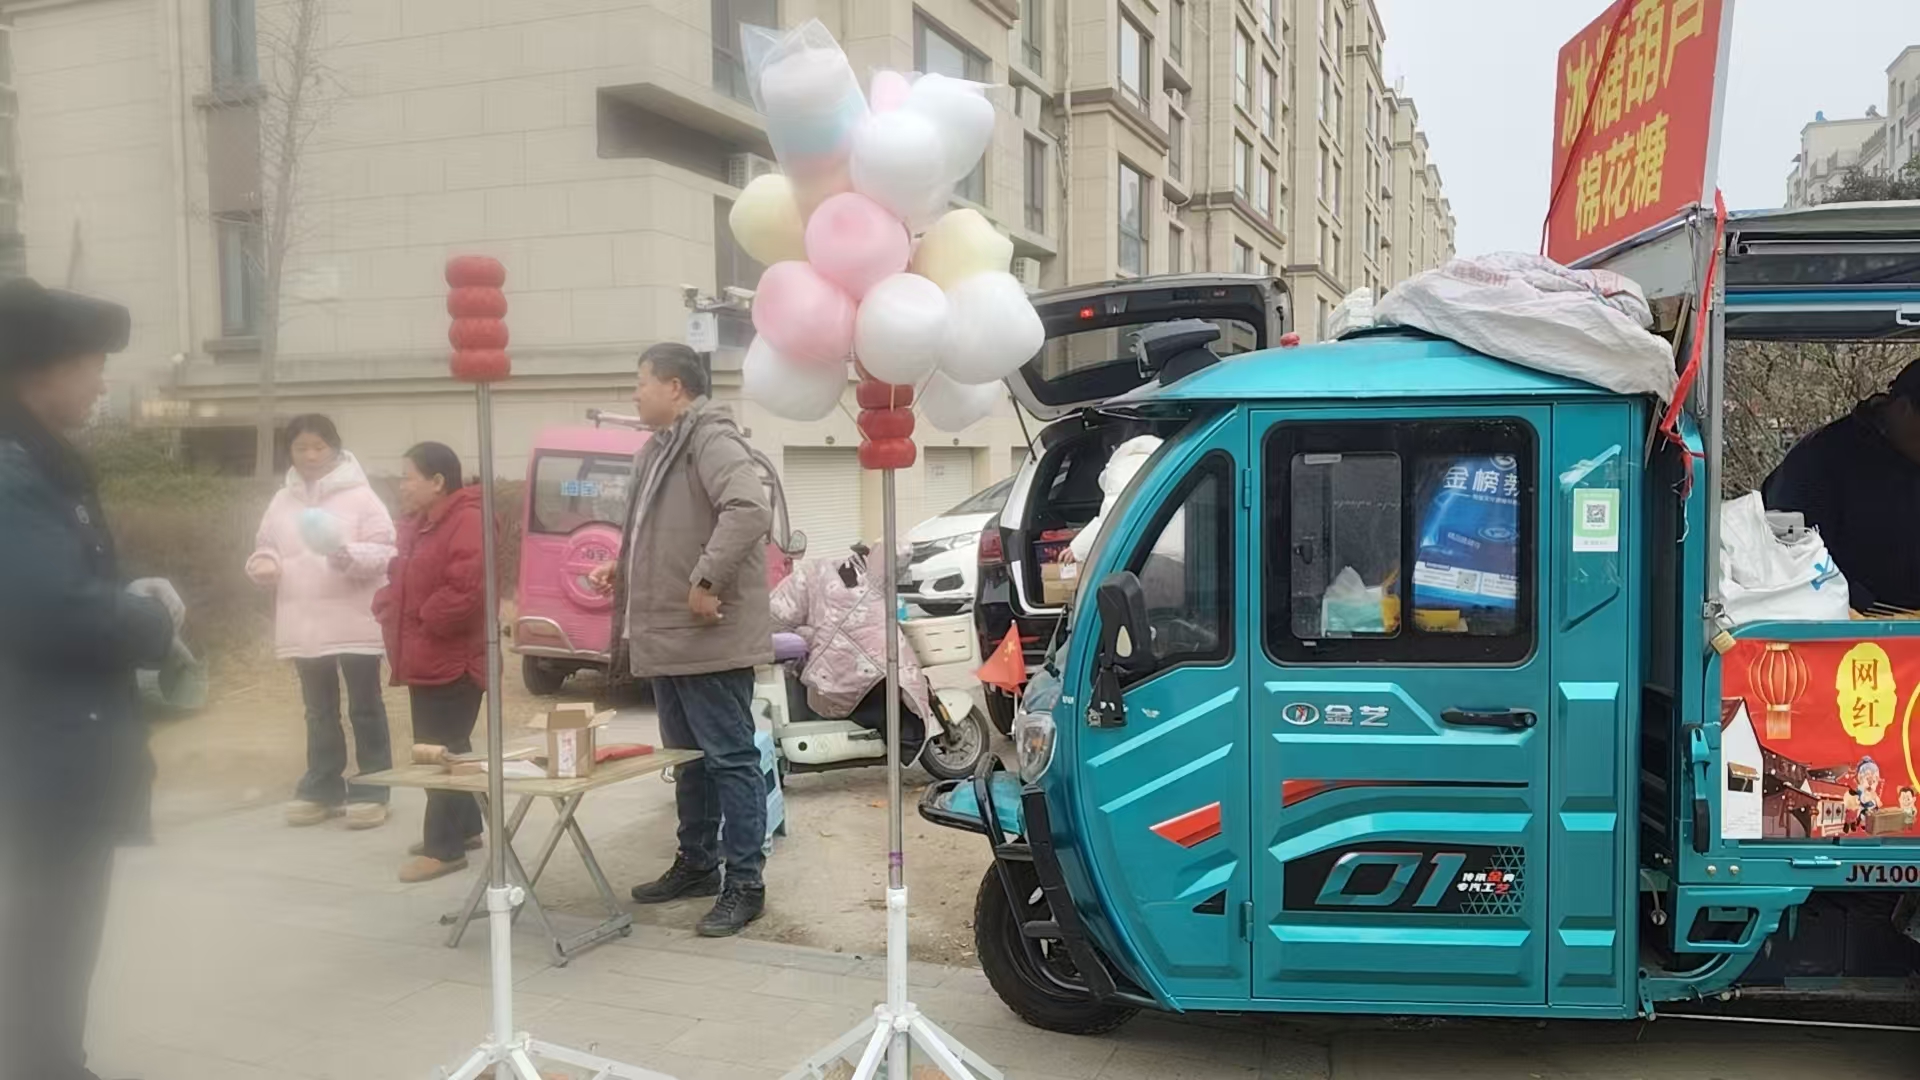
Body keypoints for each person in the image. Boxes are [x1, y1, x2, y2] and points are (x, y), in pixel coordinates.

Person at [0, 278, 183, 1080]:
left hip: (50, 751)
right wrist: (149, 619)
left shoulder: (37, 463)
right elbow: (49, 609)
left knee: (51, 940)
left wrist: (124, 595)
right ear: (37, 365)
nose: (103, 380)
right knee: (49, 938)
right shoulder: (12, 472)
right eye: (92, 362)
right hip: (42, 758)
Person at [590, 342, 773, 938]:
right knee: (687, 761)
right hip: (669, 637)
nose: (635, 394)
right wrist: (623, 566)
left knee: (731, 760)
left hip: (708, 637)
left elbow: (748, 509)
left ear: (674, 386)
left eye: (641, 382)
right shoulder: (657, 449)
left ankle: (745, 883)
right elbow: (660, 535)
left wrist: (706, 578)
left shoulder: (710, 440)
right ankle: (696, 863)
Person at [247, 414, 398, 830]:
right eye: (301, 448)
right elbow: (266, 545)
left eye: (318, 446)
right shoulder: (282, 500)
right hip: (304, 620)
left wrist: (349, 556)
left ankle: (373, 787)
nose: (310, 455)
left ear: (334, 447)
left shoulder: (362, 496)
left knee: (364, 707)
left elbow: (387, 550)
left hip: (354, 618)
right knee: (318, 710)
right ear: (290, 452)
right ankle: (322, 786)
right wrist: (264, 564)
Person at [375, 442, 487, 883]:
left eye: (409, 477)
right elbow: (401, 577)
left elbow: (466, 589)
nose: (402, 485)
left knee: (437, 749)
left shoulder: (468, 520)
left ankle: (444, 848)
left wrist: (424, 620)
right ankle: (466, 828)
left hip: (454, 660)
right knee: (446, 746)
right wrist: (388, 605)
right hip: (427, 654)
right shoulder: (422, 523)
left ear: (438, 481)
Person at [1764, 359, 1920, 613]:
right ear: (1903, 409)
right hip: (1848, 621)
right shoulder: (1820, 458)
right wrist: (1859, 605)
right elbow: (1791, 554)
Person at [770, 543, 938, 762]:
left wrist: (808, 638)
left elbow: (774, 616)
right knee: (893, 700)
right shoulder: (874, 581)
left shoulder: (814, 571)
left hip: (833, 682)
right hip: (877, 672)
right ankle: (904, 740)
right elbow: (902, 549)